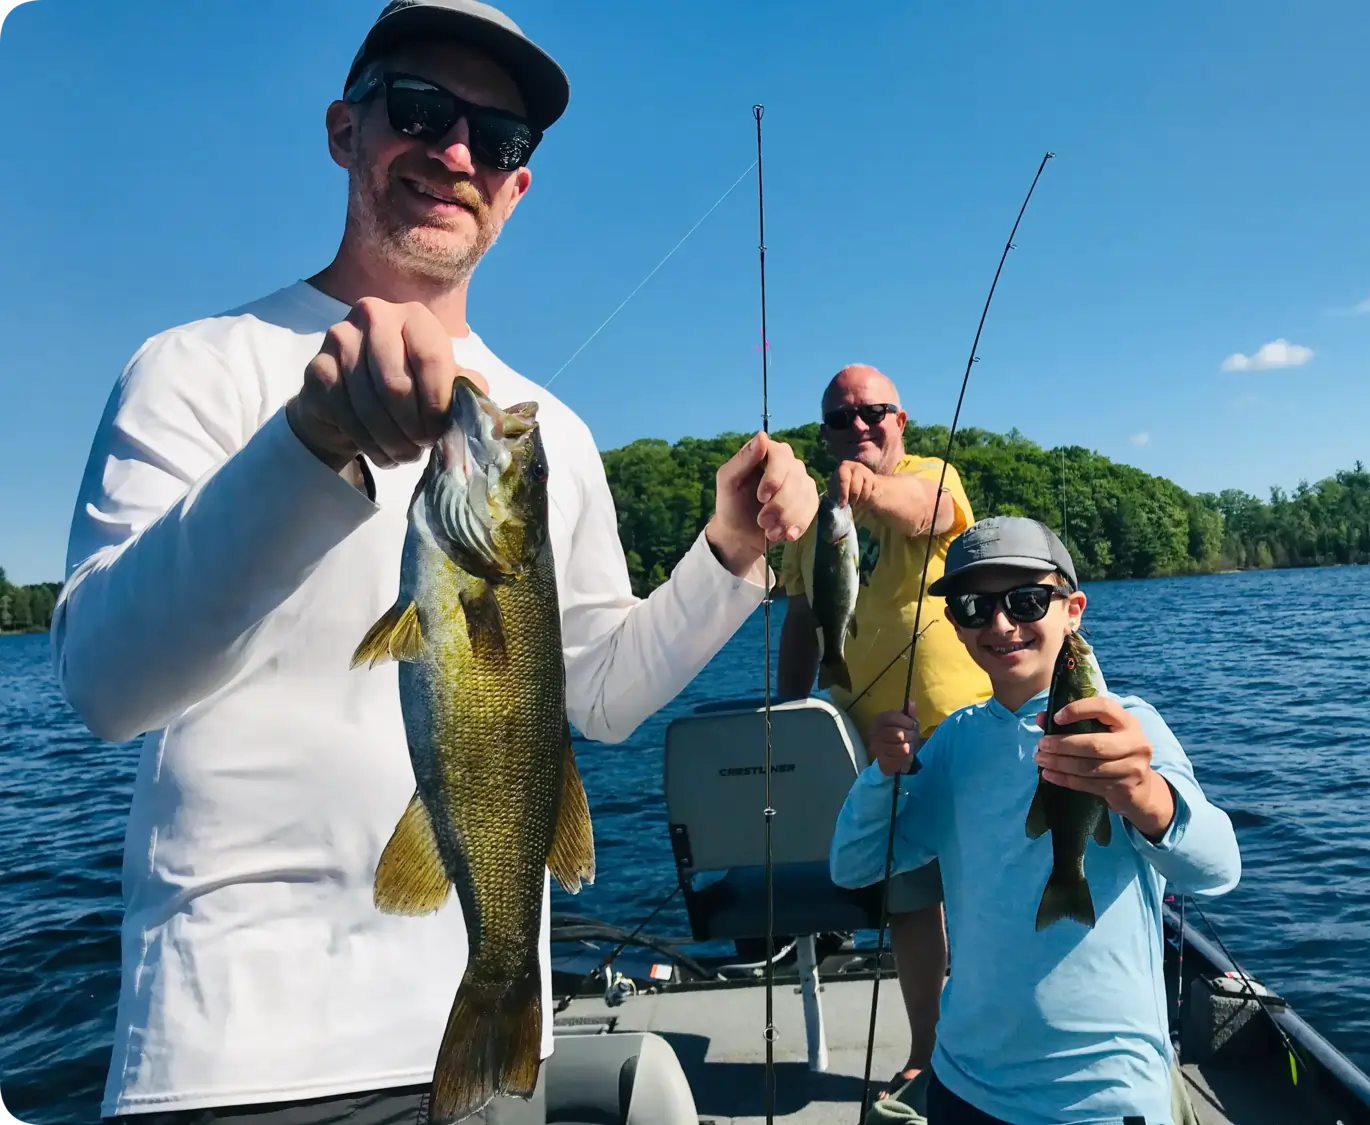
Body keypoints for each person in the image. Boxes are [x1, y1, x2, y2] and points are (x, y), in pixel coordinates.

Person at [52, 3, 818, 1122]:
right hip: (235, 1058)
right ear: (344, 129)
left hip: (494, 1041)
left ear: (516, 188)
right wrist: (307, 447)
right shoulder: (196, 369)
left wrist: (730, 556)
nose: (455, 152)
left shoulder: (544, 429)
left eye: (498, 141)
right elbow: (104, 687)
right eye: (419, 110)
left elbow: (599, 696)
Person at [829, 516, 1241, 1125]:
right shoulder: (951, 746)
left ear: (1073, 610)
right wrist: (883, 774)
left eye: (1027, 601)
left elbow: (1218, 868)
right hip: (964, 1081)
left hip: (1104, 1096)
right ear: (956, 626)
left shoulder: (1130, 728)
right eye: (975, 606)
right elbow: (854, 865)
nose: (1001, 623)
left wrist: (1142, 791)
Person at [776, 363, 993, 1098]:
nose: (860, 425)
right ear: (827, 432)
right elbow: (803, 619)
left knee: (985, 888)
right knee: (909, 901)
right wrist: (787, 712)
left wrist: (861, 491)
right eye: (841, 418)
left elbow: (929, 512)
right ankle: (929, 1050)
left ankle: (996, 1041)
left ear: (902, 420)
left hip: (962, 734)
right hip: (877, 750)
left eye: (875, 412)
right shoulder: (811, 523)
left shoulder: (936, 475)